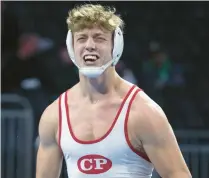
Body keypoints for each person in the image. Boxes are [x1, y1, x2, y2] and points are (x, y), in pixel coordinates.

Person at [36, 4, 191, 178]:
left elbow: (178, 175)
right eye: (81, 38)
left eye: (99, 38)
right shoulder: (54, 116)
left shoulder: (143, 112)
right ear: (71, 46)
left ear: (115, 45)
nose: (89, 45)